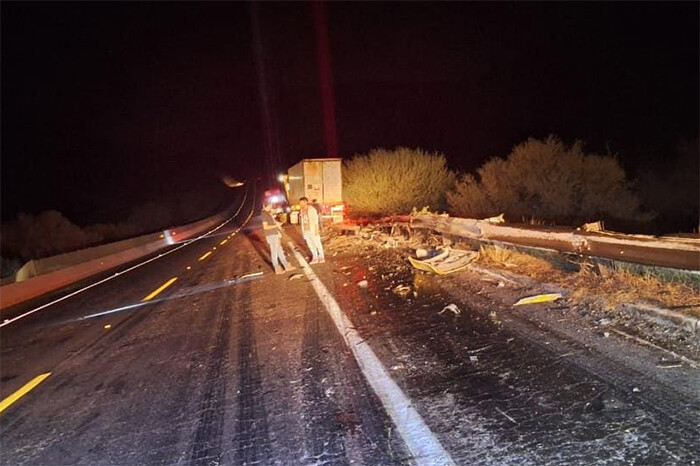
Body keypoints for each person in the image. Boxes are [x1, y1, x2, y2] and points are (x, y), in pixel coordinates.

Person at [261, 201, 295, 274]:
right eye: (270, 206)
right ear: (265, 206)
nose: (271, 207)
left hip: (274, 234)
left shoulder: (267, 213)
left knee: (279, 250)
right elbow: (265, 227)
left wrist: (277, 226)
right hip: (271, 235)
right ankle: (277, 268)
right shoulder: (264, 214)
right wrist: (276, 226)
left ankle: (286, 266)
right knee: (274, 252)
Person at [299, 196, 325, 264]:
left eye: (302, 203)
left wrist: (317, 229)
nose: (300, 204)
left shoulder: (311, 209)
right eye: (300, 203)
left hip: (312, 229)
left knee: (317, 243)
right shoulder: (302, 210)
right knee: (310, 244)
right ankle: (315, 257)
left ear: (306, 202)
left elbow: (316, 220)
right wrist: (303, 231)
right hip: (306, 230)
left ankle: (321, 256)